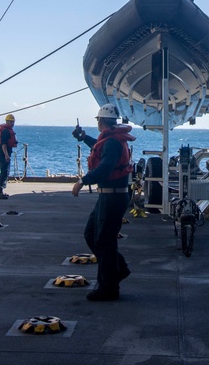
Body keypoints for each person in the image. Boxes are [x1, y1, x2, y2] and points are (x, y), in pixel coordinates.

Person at [71, 104, 134, 301]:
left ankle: (108, 288)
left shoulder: (113, 143)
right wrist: (84, 138)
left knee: (104, 240)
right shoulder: (112, 140)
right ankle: (118, 269)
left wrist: (83, 181)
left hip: (113, 197)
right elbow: (101, 149)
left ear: (102, 121)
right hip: (109, 195)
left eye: (98, 120)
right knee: (92, 234)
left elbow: (106, 167)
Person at [0, 114, 18, 199]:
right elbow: (3, 144)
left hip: (5, 155)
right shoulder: (5, 131)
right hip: (3, 155)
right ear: (7, 122)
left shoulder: (8, 130)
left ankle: (1, 191)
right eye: (10, 121)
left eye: (13, 122)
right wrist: (6, 155)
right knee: (4, 173)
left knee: (5, 173)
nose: (12, 123)